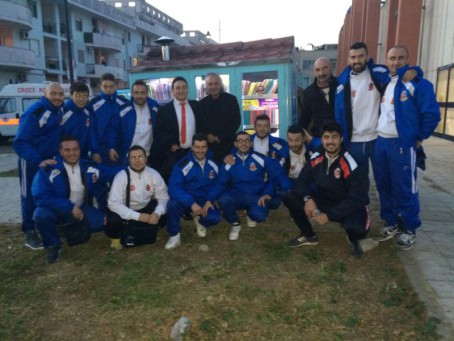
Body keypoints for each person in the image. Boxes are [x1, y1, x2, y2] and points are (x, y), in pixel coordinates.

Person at [373, 45, 440, 250]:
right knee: (384, 186)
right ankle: (391, 222)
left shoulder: (418, 83)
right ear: (387, 60)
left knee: (405, 188)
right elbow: (369, 67)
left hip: (401, 144)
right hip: (381, 142)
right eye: (392, 58)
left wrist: (419, 137)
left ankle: (410, 228)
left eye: (400, 58)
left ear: (408, 59)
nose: (396, 62)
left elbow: (432, 114)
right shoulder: (387, 81)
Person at [281, 122, 370, 258]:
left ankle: (353, 239)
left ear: (341, 139)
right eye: (326, 137)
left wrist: (329, 216)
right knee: (290, 196)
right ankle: (308, 235)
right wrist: (307, 199)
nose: (330, 141)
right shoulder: (317, 156)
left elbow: (357, 198)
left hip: (349, 203)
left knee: (358, 229)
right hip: (326, 198)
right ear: (321, 139)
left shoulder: (352, 162)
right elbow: (301, 182)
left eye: (334, 137)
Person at [31, 137, 120, 263]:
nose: (72, 153)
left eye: (75, 149)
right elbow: (40, 196)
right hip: (56, 209)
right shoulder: (48, 169)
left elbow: (112, 172)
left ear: (79, 150)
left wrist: (135, 167)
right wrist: (69, 207)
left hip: (81, 208)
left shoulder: (88, 167)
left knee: (101, 223)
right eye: (67, 150)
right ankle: (53, 245)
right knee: (40, 215)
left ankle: (64, 229)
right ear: (60, 152)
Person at [13, 82, 64, 250]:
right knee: (28, 196)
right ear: (45, 93)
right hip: (31, 162)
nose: (57, 97)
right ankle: (29, 232)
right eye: (53, 93)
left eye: (60, 94)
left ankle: (45, 225)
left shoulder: (59, 111)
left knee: (47, 193)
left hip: (49, 161)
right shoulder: (35, 112)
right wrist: (37, 160)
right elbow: (20, 142)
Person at [211, 131, 281, 241]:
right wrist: (209, 199)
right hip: (237, 195)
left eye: (246, 140)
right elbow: (220, 183)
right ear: (235, 144)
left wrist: (267, 193)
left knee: (260, 216)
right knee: (224, 199)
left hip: (256, 196)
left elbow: (273, 178)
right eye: (240, 141)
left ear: (251, 143)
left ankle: (250, 214)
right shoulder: (229, 161)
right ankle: (235, 223)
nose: (243, 143)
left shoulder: (261, 159)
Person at [335, 42, 389, 173]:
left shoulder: (379, 74)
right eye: (353, 57)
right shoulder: (342, 82)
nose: (357, 60)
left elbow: (399, 77)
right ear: (349, 59)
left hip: (377, 138)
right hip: (354, 141)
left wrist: (414, 71)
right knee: (359, 182)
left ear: (367, 56)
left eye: (360, 56)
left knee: (384, 178)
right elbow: (338, 113)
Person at [165, 133, 222, 249]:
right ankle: (174, 235)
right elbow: (174, 188)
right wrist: (191, 203)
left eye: (203, 147)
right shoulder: (182, 164)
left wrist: (210, 200)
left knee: (215, 218)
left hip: (204, 201)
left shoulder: (213, 163)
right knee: (172, 205)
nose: (200, 151)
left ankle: (200, 221)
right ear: (192, 147)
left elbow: (218, 184)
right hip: (187, 200)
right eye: (197, 147)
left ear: (207, 147)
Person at [105, 145, 168, 249]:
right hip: (126, 208)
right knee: (113, 220)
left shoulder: (153, 174)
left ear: (146, 158)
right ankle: (116, 239)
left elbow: (164, 197)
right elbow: (113, 203)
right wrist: (138, 216)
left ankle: (152, 229)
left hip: (145, 206)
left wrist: (157, 213)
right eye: (133, 158)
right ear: (129, 160)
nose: (137, 161)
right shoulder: (121, 176)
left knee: (166, 209)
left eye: (140, 157)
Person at [154, 76, 201, 181]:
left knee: (192, 181)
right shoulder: (164, 110)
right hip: (173, 154)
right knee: (175, 181)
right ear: (173, 91)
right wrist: (169, 144)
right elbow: (159, 132)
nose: (181, 90)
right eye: (178, 88)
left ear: (187, 89)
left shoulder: (196, 106)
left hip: (193, 153)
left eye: (184, 87)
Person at [109, 80, 159, 165]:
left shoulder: (155, 109)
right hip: (128, 157)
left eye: (142, 93)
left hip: (149, 157)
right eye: (136, 93)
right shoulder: (123, 111)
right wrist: (112, 147)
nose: (139, 96)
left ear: (147, 94)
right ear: (132, 94)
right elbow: (114, 129)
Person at [199, 72, 241, 163]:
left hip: (228, 145)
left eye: (216, 83)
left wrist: (219, 137)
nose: (213, 87)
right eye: (210, 84)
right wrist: (207, 135)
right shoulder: (202, 104)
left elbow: (236, 122)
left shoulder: (231, 100)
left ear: (221, 84)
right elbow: (200, 125)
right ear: (206, 86)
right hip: (209, 148)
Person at [88, 72, 128, 165]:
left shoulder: (123, 103)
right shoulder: (93, 104)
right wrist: (94, 151)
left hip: (120, 149)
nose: (108, 89)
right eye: (105, 86)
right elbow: (91, 129)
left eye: (111, 86)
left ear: (116, 86)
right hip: (101, 151)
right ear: (100, 86)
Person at [299, 57, 337, 150]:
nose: (321, 73)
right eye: (318, 70)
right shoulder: (308, 93)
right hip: (320, 141)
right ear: (314, 71)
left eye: (325, 68)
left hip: (340, 140)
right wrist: (311, 140)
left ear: (331, 67)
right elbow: (304, 120)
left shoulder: (341, 86)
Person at [61, 81, 93, 160]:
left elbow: (92, 133)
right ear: (71, 96)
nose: (81, 99)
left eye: (85, 96)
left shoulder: (88, 112)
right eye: (78, 95)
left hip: (83, 155)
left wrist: (95, 151)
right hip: (66, 156)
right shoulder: (63, 112)